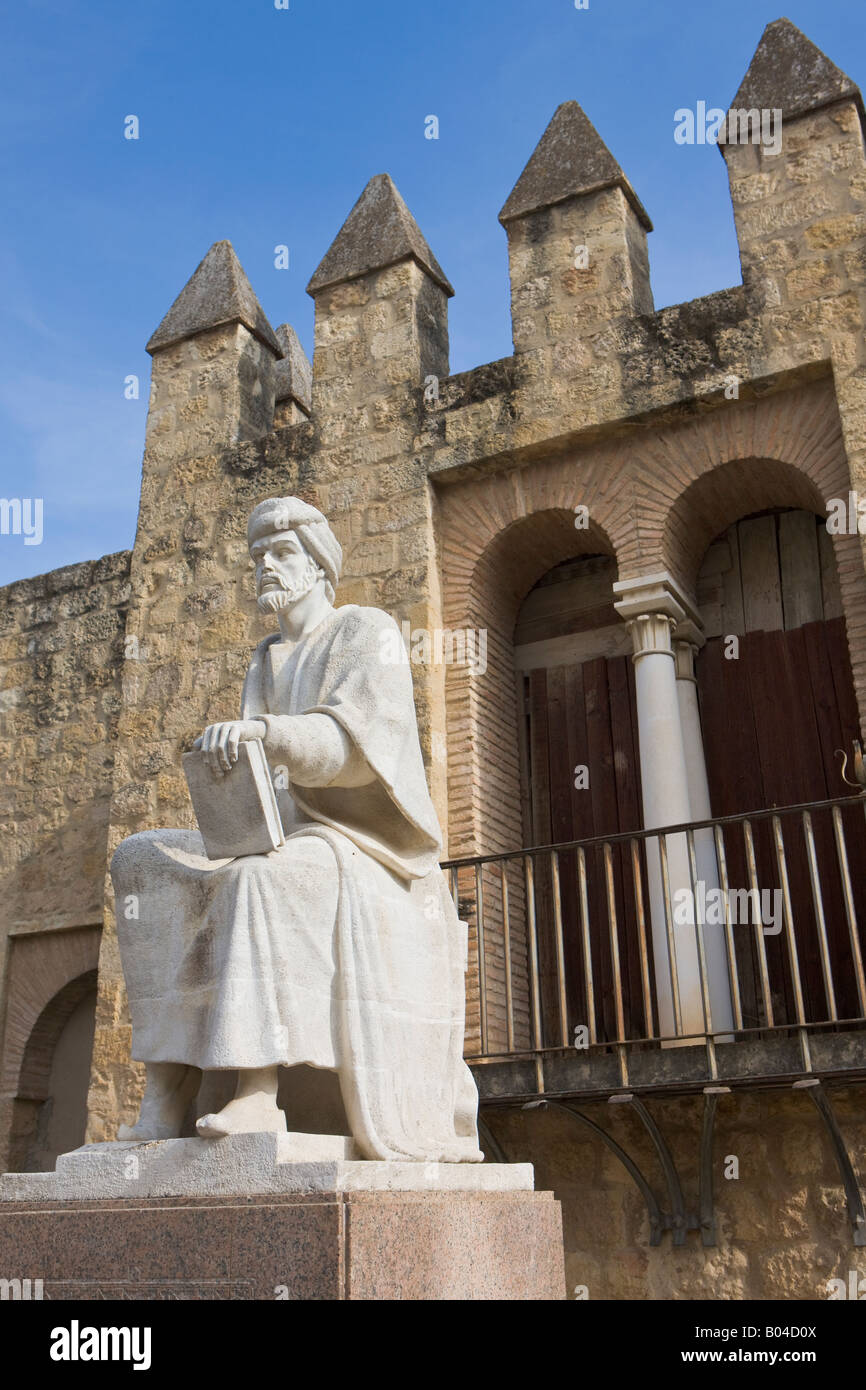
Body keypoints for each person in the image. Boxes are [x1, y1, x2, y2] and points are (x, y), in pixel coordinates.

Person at [110, 496, 483, 1162]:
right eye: (258, 557)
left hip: (362, 846)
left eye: (282, 554)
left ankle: (256, 1093)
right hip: (281, 831)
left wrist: (265, 733)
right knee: (142, 861)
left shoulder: (365, 633)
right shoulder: (266, 657)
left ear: (318, 567)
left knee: (257, 878)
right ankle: (166, 1087)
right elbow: (267, 780)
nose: (266, 567)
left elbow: (350, 747)